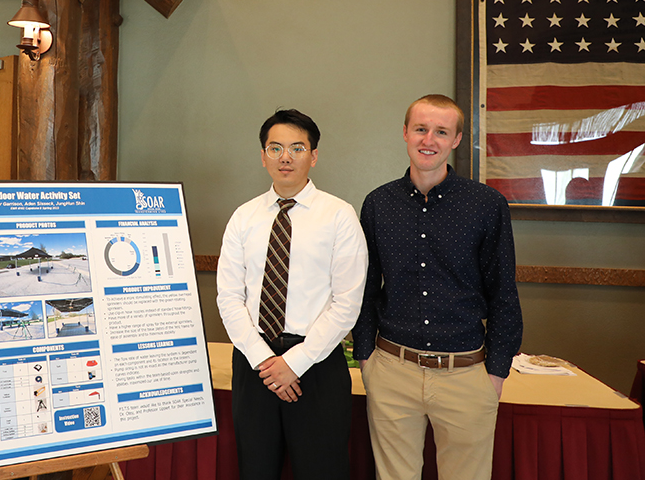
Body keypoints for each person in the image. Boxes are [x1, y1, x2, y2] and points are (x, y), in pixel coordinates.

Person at [351, 94, 523, 480]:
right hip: (391, 370)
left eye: (441, 131)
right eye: (421, 129)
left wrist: (496, 371)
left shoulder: (487, 204)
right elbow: (364, 286)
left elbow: (503, 292)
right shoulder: (378, 204)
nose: (429, 139)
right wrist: (366, 357)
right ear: (405, 133)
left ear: (457, 139)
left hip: (466, 373)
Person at [217, 109, 368, 480]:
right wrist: (265, 362)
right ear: (263, 155)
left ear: (313, 156)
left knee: (322, 470)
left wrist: (294, 363)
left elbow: (347, 302)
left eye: (297, 148)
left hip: (316, 366)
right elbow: (228, 297)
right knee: (256, 470)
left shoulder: (339, 216)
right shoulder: (244, 217)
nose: (285, 157)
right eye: (276, 148)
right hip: (255, 365)